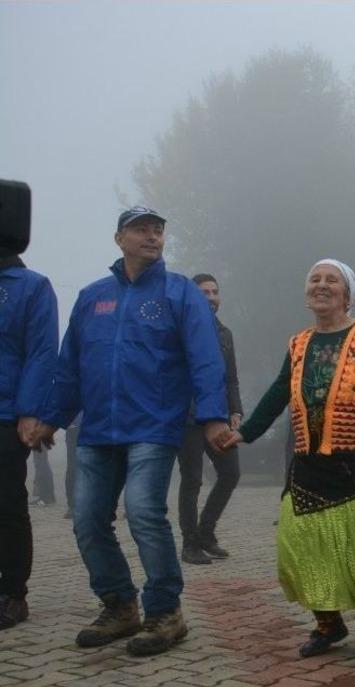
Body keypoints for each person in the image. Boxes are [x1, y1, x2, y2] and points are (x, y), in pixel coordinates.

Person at [38, 206, 229, 656]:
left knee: (143, 512)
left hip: (153, 426)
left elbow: (206, 359)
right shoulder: (93, 297)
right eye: (140, 229)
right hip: (98, 430)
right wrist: (51, 417)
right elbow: (70, 366)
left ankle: (166, 612)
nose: (152, 237)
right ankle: (119, 605)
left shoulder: (180, 293)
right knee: (87, 520)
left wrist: (214, 416)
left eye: (157, 230)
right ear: (119, 238)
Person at [218, 259, 355, 657]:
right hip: (310, 463)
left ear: (348, 294)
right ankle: (328, 624)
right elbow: (280, 391)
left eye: (332, 280)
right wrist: (246, 431)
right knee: (302, 543)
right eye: (315, 279)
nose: (321, 285)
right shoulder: (299, 343)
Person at [0, 225, 58, 630]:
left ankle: (13, 593)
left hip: (6, 414)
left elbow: (41, 351)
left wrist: (29, 410)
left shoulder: (31, 286)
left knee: (7, 505)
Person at [178, 273, 243, 564]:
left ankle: (206, 532)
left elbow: (231, 378)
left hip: (218, 417)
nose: (211, 297)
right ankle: (190, 543)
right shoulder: (179, 330)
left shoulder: (224, 334)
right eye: (204, 292)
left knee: (231, 472)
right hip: (188, 417)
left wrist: (235, 410)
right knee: (192, 479)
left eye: (214, 292)